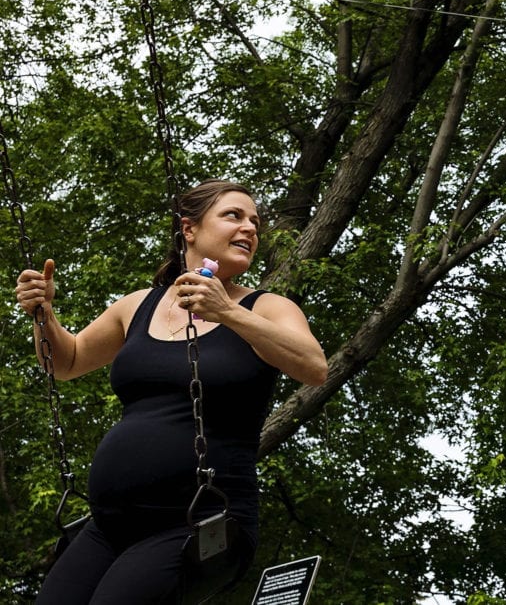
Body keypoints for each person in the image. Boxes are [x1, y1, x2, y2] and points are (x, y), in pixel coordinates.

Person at [14, 179, 328, 603]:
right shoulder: (138, 305)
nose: (251, 228)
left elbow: (313, 367)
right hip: (109, 526)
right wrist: (44, 315)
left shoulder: (266, 307)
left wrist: (227, 312)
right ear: (189, 229)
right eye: (234, 215)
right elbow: (65, 362)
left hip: (198, 521)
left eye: (255, 221)